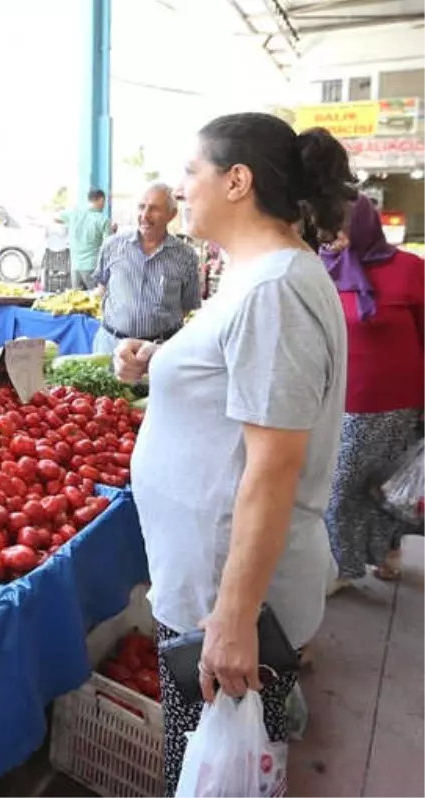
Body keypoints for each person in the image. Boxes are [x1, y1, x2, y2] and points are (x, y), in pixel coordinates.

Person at [113, 113, 355, 794]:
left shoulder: (274, 290)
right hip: (221, 586)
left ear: (238, 180)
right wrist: (161, 360)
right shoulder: (259, 277)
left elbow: (273, 464)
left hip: (230, 595)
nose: (182, 188)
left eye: (192, 172)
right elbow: (241, 382)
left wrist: (232, 618)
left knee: (221, 773)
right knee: (227, 770)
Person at [323, 194, 425, 586]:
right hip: (344, 402)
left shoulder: (409, 270)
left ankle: (388, 551)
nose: (337, 238)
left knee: (389, 486)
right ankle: (345, 566)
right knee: (339, 490)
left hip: (399, 402)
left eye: (344, 228)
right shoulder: (325, 269)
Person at [91, 183, 201, 355]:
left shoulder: (186, 256)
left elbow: (187, 305)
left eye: (154, 209)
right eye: (142, 207)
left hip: (160, 350)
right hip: (111, 346)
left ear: (171, 215)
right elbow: (103, 288)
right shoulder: (112, 245)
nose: (145, 215)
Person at [58, 188, 116, 290]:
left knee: (77, 301)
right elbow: (109, 244)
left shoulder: (74, 214)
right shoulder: (103, 220)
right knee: (95, 301)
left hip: (75, 267)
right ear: (101, 200)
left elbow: (55, 217)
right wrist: (113, 231)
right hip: (93, 267)